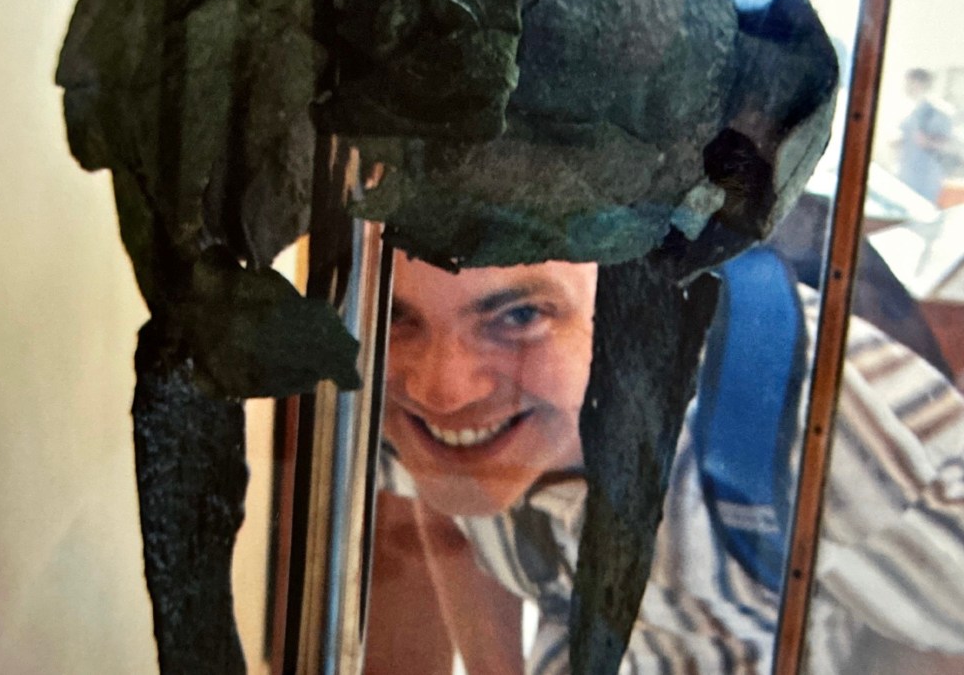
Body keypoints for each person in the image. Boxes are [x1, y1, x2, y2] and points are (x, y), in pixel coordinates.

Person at [364, 250, 964, 674]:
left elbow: (948, 632)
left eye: (521, 316)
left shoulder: (809, 420)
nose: (443, 392)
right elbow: (448, 511)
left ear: (635, 303)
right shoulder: (393, 395)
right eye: (397, 314)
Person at [897, 68, 955, 203]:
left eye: (909, 83)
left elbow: (946, 144)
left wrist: (927, 141)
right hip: (906, 173)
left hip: (924, 178)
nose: (905, 87)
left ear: (919, 84)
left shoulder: (937, 111)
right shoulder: (911, 110)